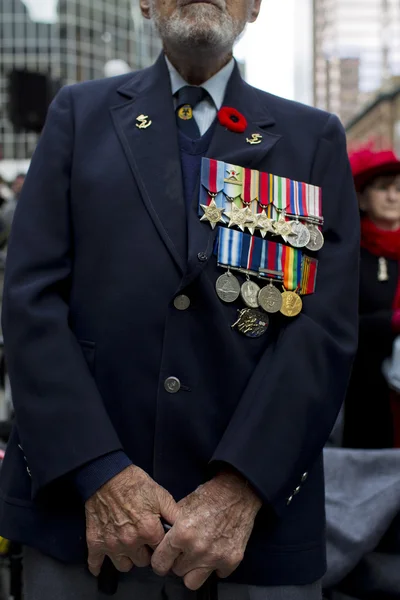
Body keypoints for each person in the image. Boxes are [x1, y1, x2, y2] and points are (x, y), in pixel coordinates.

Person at [0, 1, 359, 599]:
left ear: (255, 6)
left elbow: (322, 331)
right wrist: (100, 473)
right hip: (82, 520)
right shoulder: (79, 116)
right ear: (143, 1)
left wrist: (240, 488)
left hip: (254, 531)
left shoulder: (312, 138)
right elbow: (31, 301)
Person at [343, 147, 400, 449]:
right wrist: (390, 322)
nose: (393, 196)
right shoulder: (350, 253)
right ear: (362, 198)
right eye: (383, 188)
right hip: (369, 393)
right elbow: (339, 320)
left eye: (398, 188)